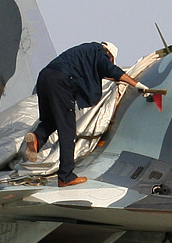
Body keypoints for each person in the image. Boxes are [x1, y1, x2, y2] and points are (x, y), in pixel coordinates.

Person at [23, 41, 152, 186]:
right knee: (68, 130)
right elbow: (112, 70)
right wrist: (137, 85)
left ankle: (36, 138)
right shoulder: (100, 52)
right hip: (61, 81)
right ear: (109, 54)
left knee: (50, 120)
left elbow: (97, 73)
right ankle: (66, 177)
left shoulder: (84, 51)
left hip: (45, 77)